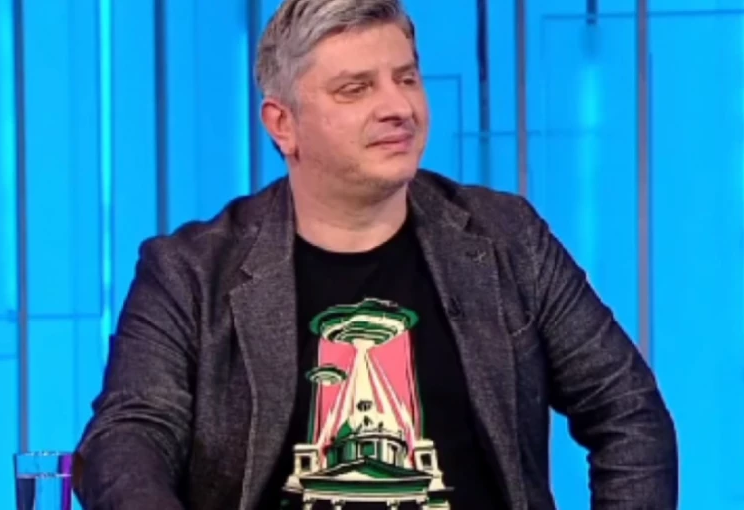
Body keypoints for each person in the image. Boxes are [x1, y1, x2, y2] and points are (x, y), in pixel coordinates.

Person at [72, 0, 678, 508]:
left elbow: (627, 411)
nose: (398, 107)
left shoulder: (507, 239)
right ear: (283, 125)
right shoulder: (190, 271)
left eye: (406, 78)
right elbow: (128, 436)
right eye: (356, 88)